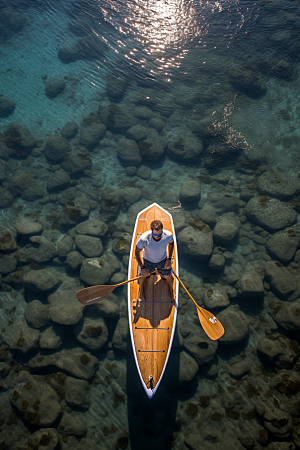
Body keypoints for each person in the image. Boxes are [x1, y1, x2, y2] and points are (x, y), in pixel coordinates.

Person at [135, 219, 174, 301]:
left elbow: (171, 243)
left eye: (160, 234)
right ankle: (141, 290)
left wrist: (169, 259)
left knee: (169, 276)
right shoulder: (144, 239)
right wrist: (142, 268)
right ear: (151, 231)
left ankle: (171, 290)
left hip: (162, 260)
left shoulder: (168, 235)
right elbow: (136, 252)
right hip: (147, 261)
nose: (158, 237)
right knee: (142, 276)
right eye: (155, 235)